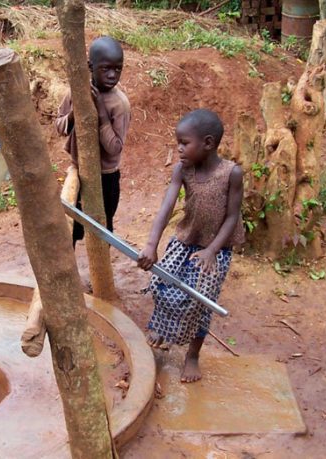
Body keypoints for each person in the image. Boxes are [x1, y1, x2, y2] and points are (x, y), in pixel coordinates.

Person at [136, 109, 245, 383]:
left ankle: (192, 356)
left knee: (199, 302)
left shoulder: (231, 173)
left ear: (207, 143)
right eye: (178, 143)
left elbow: (232, 216)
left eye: (185, 143)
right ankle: (161, 330)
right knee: (162, 286)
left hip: (215, 249)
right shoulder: (182, 170)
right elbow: (166, 207)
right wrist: (151, 244)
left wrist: (211, 251)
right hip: (185, 239)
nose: (179, 149)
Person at [55, 36, 131, 247]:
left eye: (118, 69)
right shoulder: (76, 93)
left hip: (106, 178)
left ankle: (102, 278)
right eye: (106, 69)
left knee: (102, 230)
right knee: (70, 229)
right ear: (91, 67)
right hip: (79, 173)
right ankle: (70, 276)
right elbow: (60, 126)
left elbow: (115, 147)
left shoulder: (119, 104)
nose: (112, 75)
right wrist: (75, 112)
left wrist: (101, 114)